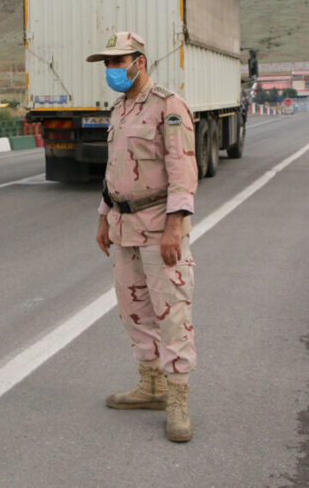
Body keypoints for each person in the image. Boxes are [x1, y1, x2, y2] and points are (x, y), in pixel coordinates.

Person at [88, 31, 199, 443]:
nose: (112, 70)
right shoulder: (119, 109)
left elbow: (183, 170)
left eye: (118, 62)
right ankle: (151, 385)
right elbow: (114, 171)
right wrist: (103, 217)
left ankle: (177, 398)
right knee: (133, 308)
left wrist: (175, 226)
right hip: (123, 227)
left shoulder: (168, 106)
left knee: (172, 311)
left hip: (158, 227)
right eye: (107, 64)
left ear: (140, 60)